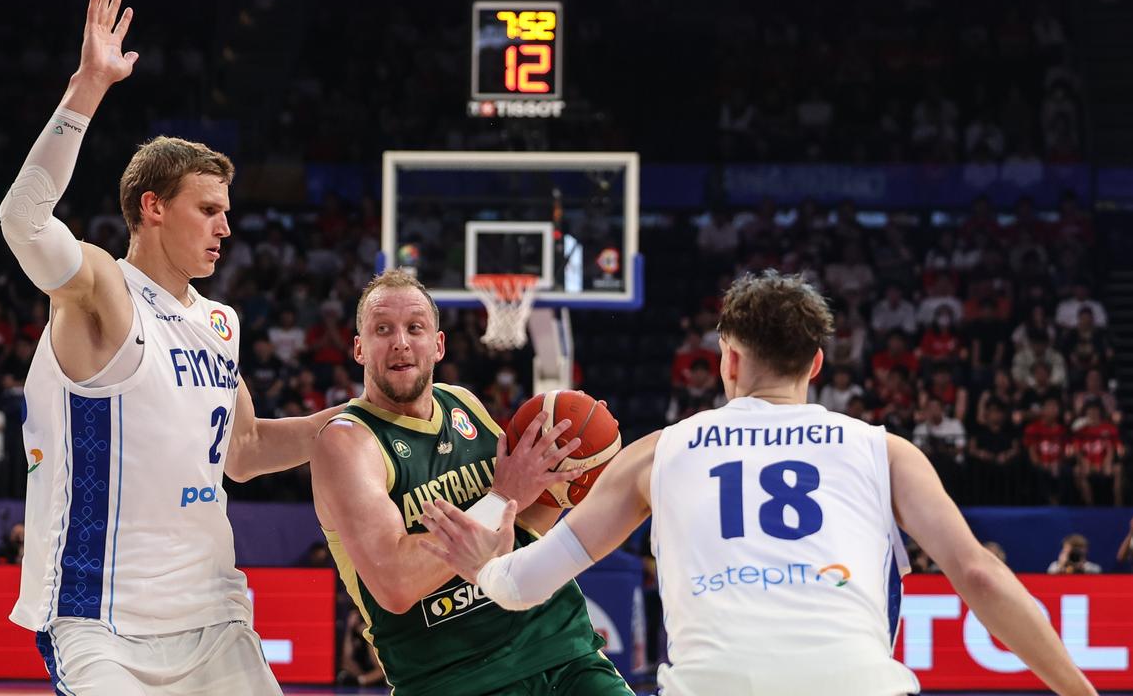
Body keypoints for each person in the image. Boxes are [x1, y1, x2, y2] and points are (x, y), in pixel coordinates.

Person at [419, 270, 1098, 696]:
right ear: (818, 363)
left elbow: (525, 584)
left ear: (730, 360)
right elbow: (977, 576)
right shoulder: (882, 450)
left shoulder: (660, 452)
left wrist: (487, 567)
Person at [0, 0, 337, 695]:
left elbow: (243, 452)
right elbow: (25, 222)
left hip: (215, 616)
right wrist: (87, 87)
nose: (225, 227)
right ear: (153, 208)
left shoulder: (221, 323)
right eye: (208, 210)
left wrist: (355, 420)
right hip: (102, 624)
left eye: (227, 212)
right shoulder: (102, 293)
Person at [309, 270, 632, 695]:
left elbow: (521, 528)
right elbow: (397, 583)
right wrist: (502, 496)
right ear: (359, 349)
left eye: (415, 328)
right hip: (455, 679)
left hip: (561, 646)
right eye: (382, 329)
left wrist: (566, 476)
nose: (401, 342)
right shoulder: (346, 442)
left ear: (438, 344)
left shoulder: (462, 403)